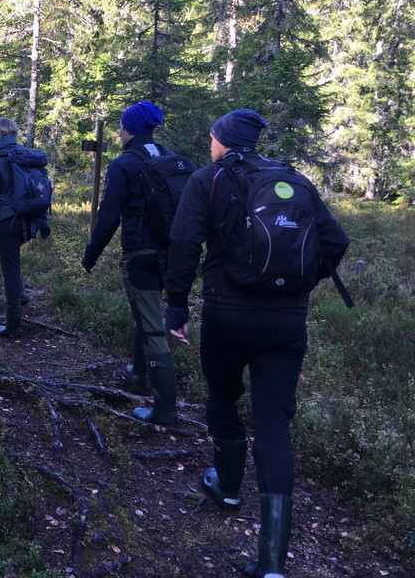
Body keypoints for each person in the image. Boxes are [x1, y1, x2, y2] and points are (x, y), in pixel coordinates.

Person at [165, 109, 350, 578]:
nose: (210, 145)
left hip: (227, 313)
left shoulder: (208, 179)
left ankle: (228, 486)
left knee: (223, 397)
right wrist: (299, 284)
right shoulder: (294, 180)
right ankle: (271, 562)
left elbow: (184, 243)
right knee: (274, 425)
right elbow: (336, 241)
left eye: (213, 138)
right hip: (287, 323)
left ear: (223, 140)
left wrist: (177, 306)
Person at [81, 100, 179, 425]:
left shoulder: (124, 164)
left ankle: (165, 410)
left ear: (130, 130)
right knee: (147, 311)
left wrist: (90, 255)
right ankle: (138, 372)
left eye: (121, 127)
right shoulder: (172, 159)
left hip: (140, 254)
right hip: (173, 254)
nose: (120, 132)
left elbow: (108, 218)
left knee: (152, 326)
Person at [0, 117, 50, 337]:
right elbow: (40, 190)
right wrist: (44, 221)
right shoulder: (26, 157)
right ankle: (20, 295)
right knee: (13, 262)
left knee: (10, 267)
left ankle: (13, 325)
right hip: (31, 219)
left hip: (8, 220)